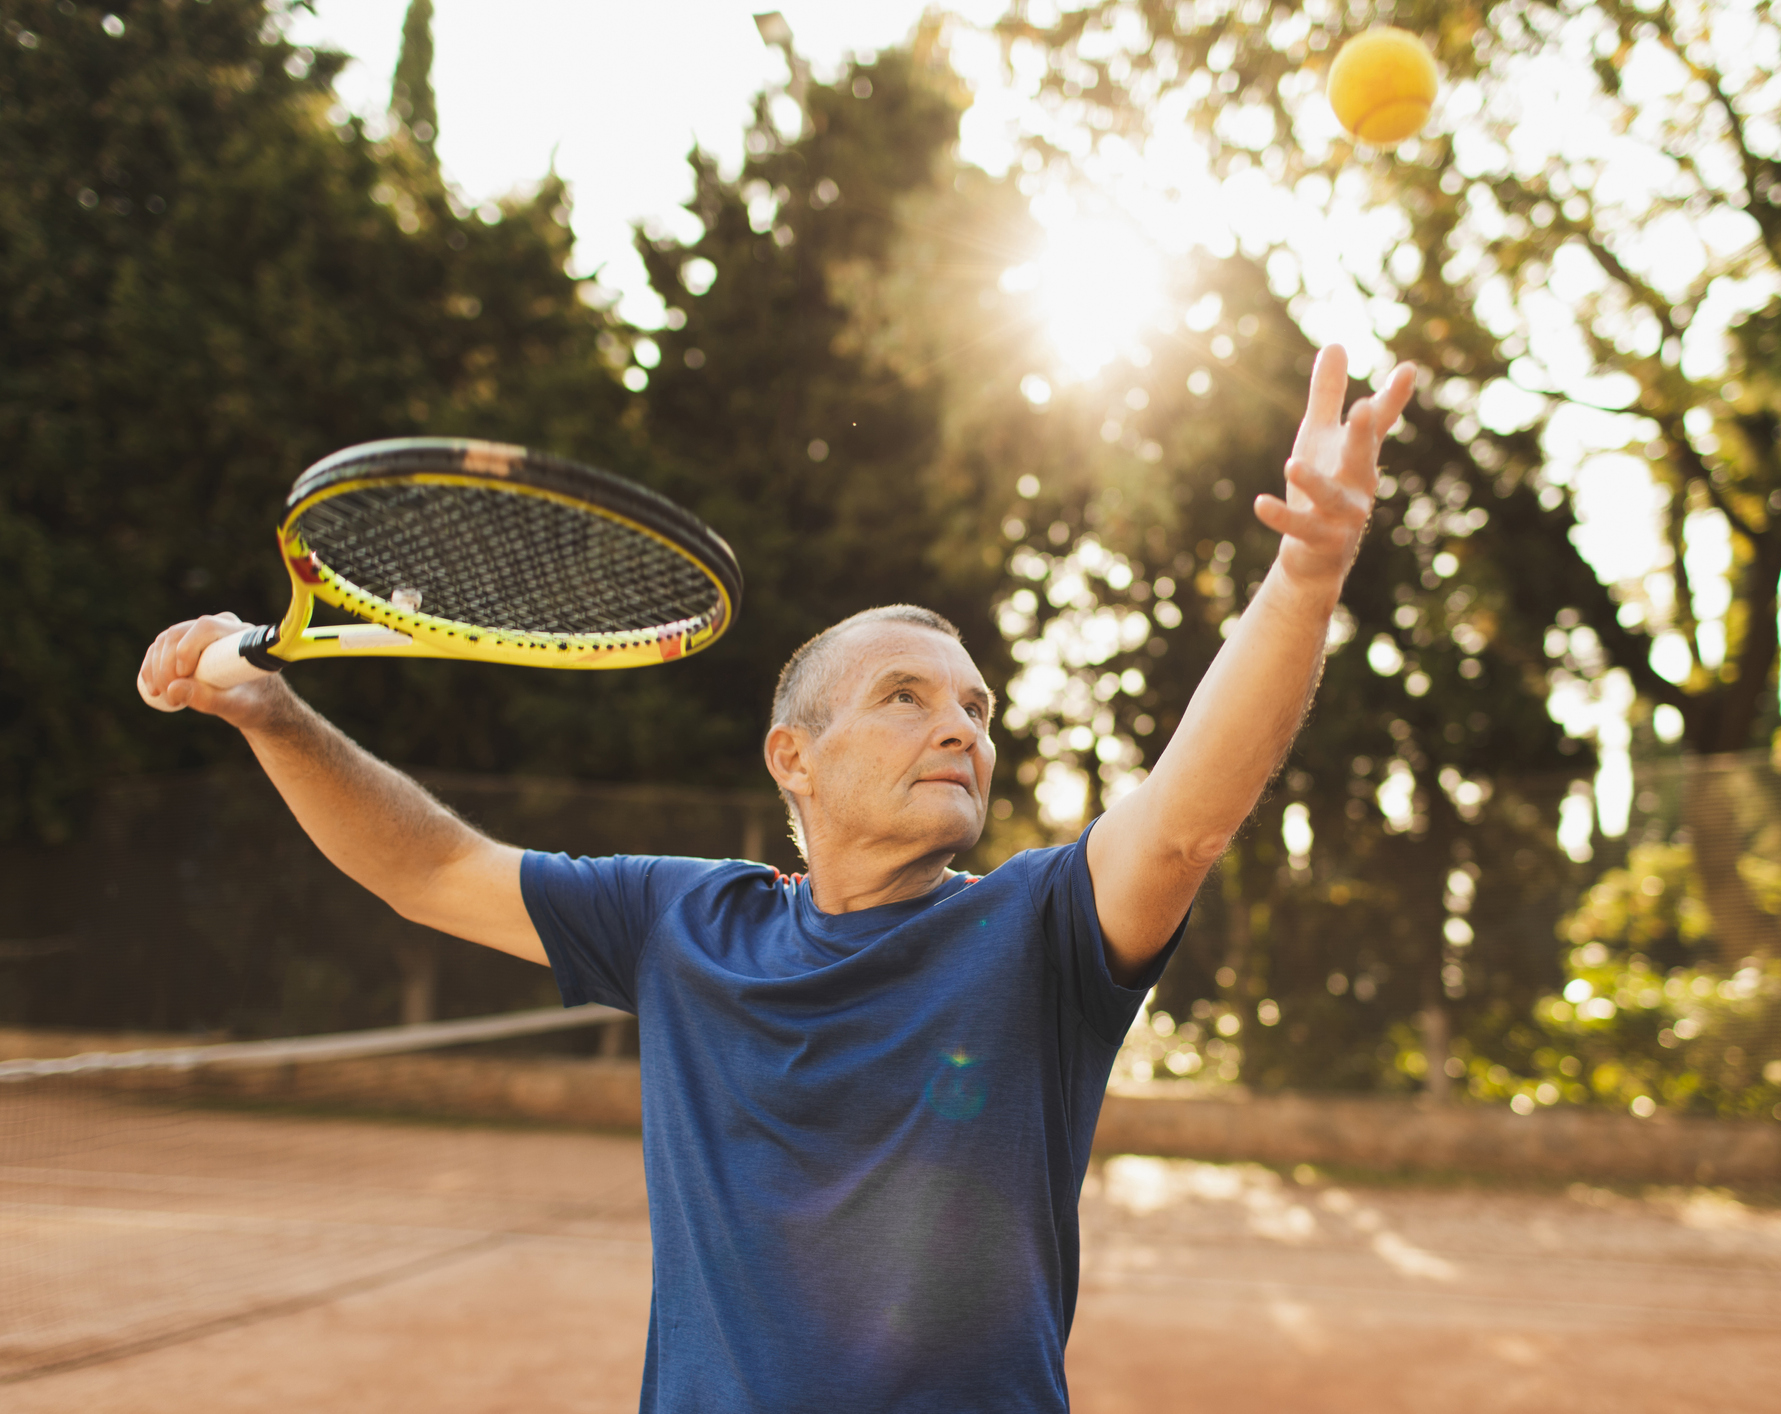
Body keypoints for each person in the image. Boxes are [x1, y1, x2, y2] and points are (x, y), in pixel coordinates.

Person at [137, 346, 1417, 1412]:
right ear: (791, 758)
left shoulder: (1040, 936)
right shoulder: (680, 921)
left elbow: (1185, 825)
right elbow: (432, 869)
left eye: (977, 705)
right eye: (905, 698)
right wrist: (274, 718)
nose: (961, 726)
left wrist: (1306, 576)